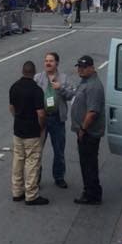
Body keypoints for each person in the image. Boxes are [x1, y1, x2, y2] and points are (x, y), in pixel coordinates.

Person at [9, 60, 48, 205]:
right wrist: (41, 126)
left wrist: (17, 117)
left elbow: (11, 107)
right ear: (33, 72)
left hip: (18, 130)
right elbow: (41, 113)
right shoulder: (36, 90)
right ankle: (31, 194)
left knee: (18, 161)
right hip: (32, 132)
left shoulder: (14, 87)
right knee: (32, 163)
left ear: (22, 71)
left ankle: (17, 191)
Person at [35, 52, 74, 189]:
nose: (48, 63)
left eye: (51, 61)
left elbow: (71, 95)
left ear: (57, 63)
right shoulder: (38, 78)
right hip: (42, 119)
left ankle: (59, 177)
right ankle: (36, 178)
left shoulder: (64, 78)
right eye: (46, 61)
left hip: (57, 118)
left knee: (59, 150)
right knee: (37, 150)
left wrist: (61, 88)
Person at [70, 55, 105, 204]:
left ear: (92, 68)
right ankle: (90, 190)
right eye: (79, 67)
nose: (81, 70)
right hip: (84, 131)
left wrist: (83, 129)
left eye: (84, 67)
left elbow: (92, 112)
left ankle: (92, 194)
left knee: (89, 164)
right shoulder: (85, 82)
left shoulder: (93, 86)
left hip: (89, 132)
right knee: (86, 163)